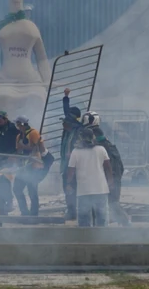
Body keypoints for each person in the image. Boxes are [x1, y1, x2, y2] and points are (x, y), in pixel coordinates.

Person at [87, 115, 130, 226]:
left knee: (112, 204)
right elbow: (121, 166)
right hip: (113, 181)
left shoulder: (102, 149)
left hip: (109, 182)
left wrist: (108, 181)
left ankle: (126, 225)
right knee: (108, 204)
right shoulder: (109, 145)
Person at [66, 128, 113, 227]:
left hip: (84, 190)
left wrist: (69, 184)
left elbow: (71, 171)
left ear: (80, 138)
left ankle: (86, 238)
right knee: (102, 217)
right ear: (93, 137)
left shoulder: (75, 152)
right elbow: (108, 167)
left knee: (84, 218)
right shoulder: (101, 149)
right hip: (101, 188)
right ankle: (103, 238)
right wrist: (110, 180)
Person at [12, 116, 51, 217]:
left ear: (23, 124)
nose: (17, 127)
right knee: (17, 189)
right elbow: (18, 151)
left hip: (34, 166)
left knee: (32, 191)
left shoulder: (34, 133)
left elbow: (38, 148)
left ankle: (34, 214)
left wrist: (24, 147)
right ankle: (24, 212)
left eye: (19, 124)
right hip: (23, 167)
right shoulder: (19, 136)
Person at [60, 88, 84, 220]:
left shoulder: (79, 130)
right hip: (66, 166)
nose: (63, 123)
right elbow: (66, 111)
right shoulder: (68, 130)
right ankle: (71, 210)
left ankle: (76, 211)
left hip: (76, 167)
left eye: (65, 121)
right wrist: (66, 97)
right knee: (67, 188)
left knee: (74, 188)